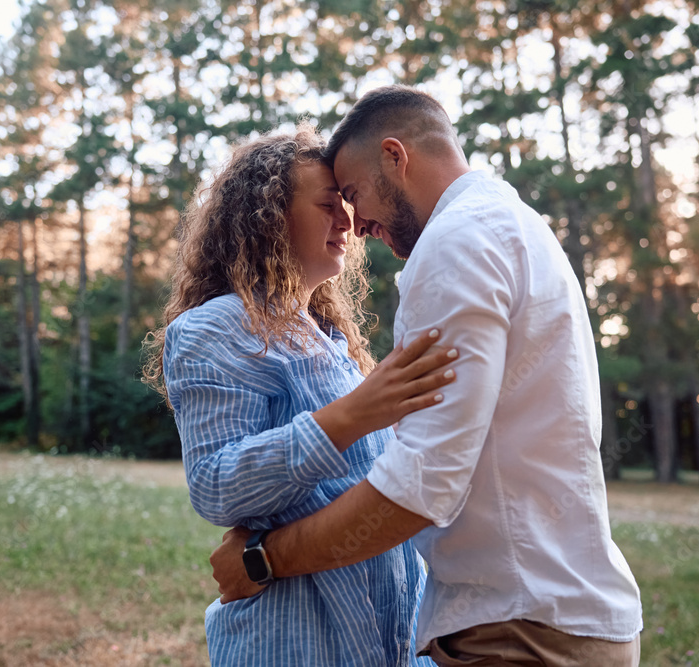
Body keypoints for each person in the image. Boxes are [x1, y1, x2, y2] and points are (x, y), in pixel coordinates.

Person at [210, 86, 644, 666]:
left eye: (355, 194)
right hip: (555, 619)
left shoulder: (454, 242)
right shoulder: (517, 224)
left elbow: (421, 486)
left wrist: (263, 558)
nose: (356, 224)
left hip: (518, 634)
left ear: (396, 156)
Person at [144, 122, 457, 666]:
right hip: (292, 640)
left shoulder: (331, 340)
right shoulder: (214, 328)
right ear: (269, 219)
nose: (347, 220)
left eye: (347, 204)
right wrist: (352, 416)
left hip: (387, 643)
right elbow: (216, 487)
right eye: (326, 204)